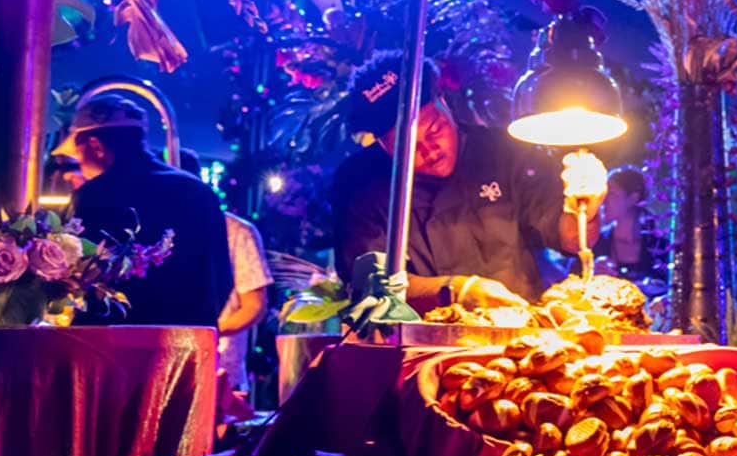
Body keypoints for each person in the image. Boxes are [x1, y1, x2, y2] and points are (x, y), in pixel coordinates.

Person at [331, 51, 598, 313]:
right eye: (407, 145)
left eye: (434, 130)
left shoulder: (505, 152)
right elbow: (368, 285)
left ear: (443, 102)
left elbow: (573, 241)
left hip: (518, 337)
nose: (429, 150)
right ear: (382, 146)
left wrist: (585, 206)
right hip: (419, 346)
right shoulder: (358, 182)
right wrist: (457, 292)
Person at [59, 93, 233, 326]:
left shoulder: (93, 195)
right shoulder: (199, 193)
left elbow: (75, 274)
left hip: (110, 344)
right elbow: (222, 280)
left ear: (95, 145)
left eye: (79, 155)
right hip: (188, 340)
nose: (79, 165)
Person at [180, 150, 273, 407]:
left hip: (222, 373)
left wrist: (204, 334)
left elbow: (254, 307)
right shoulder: (155, 228)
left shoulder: (235, 230)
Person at [595, 167, 669, 287]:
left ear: (633, 198)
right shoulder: (594, 245)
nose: (603, 201)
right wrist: (590, 274)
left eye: (611, 194)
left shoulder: (660, 247)